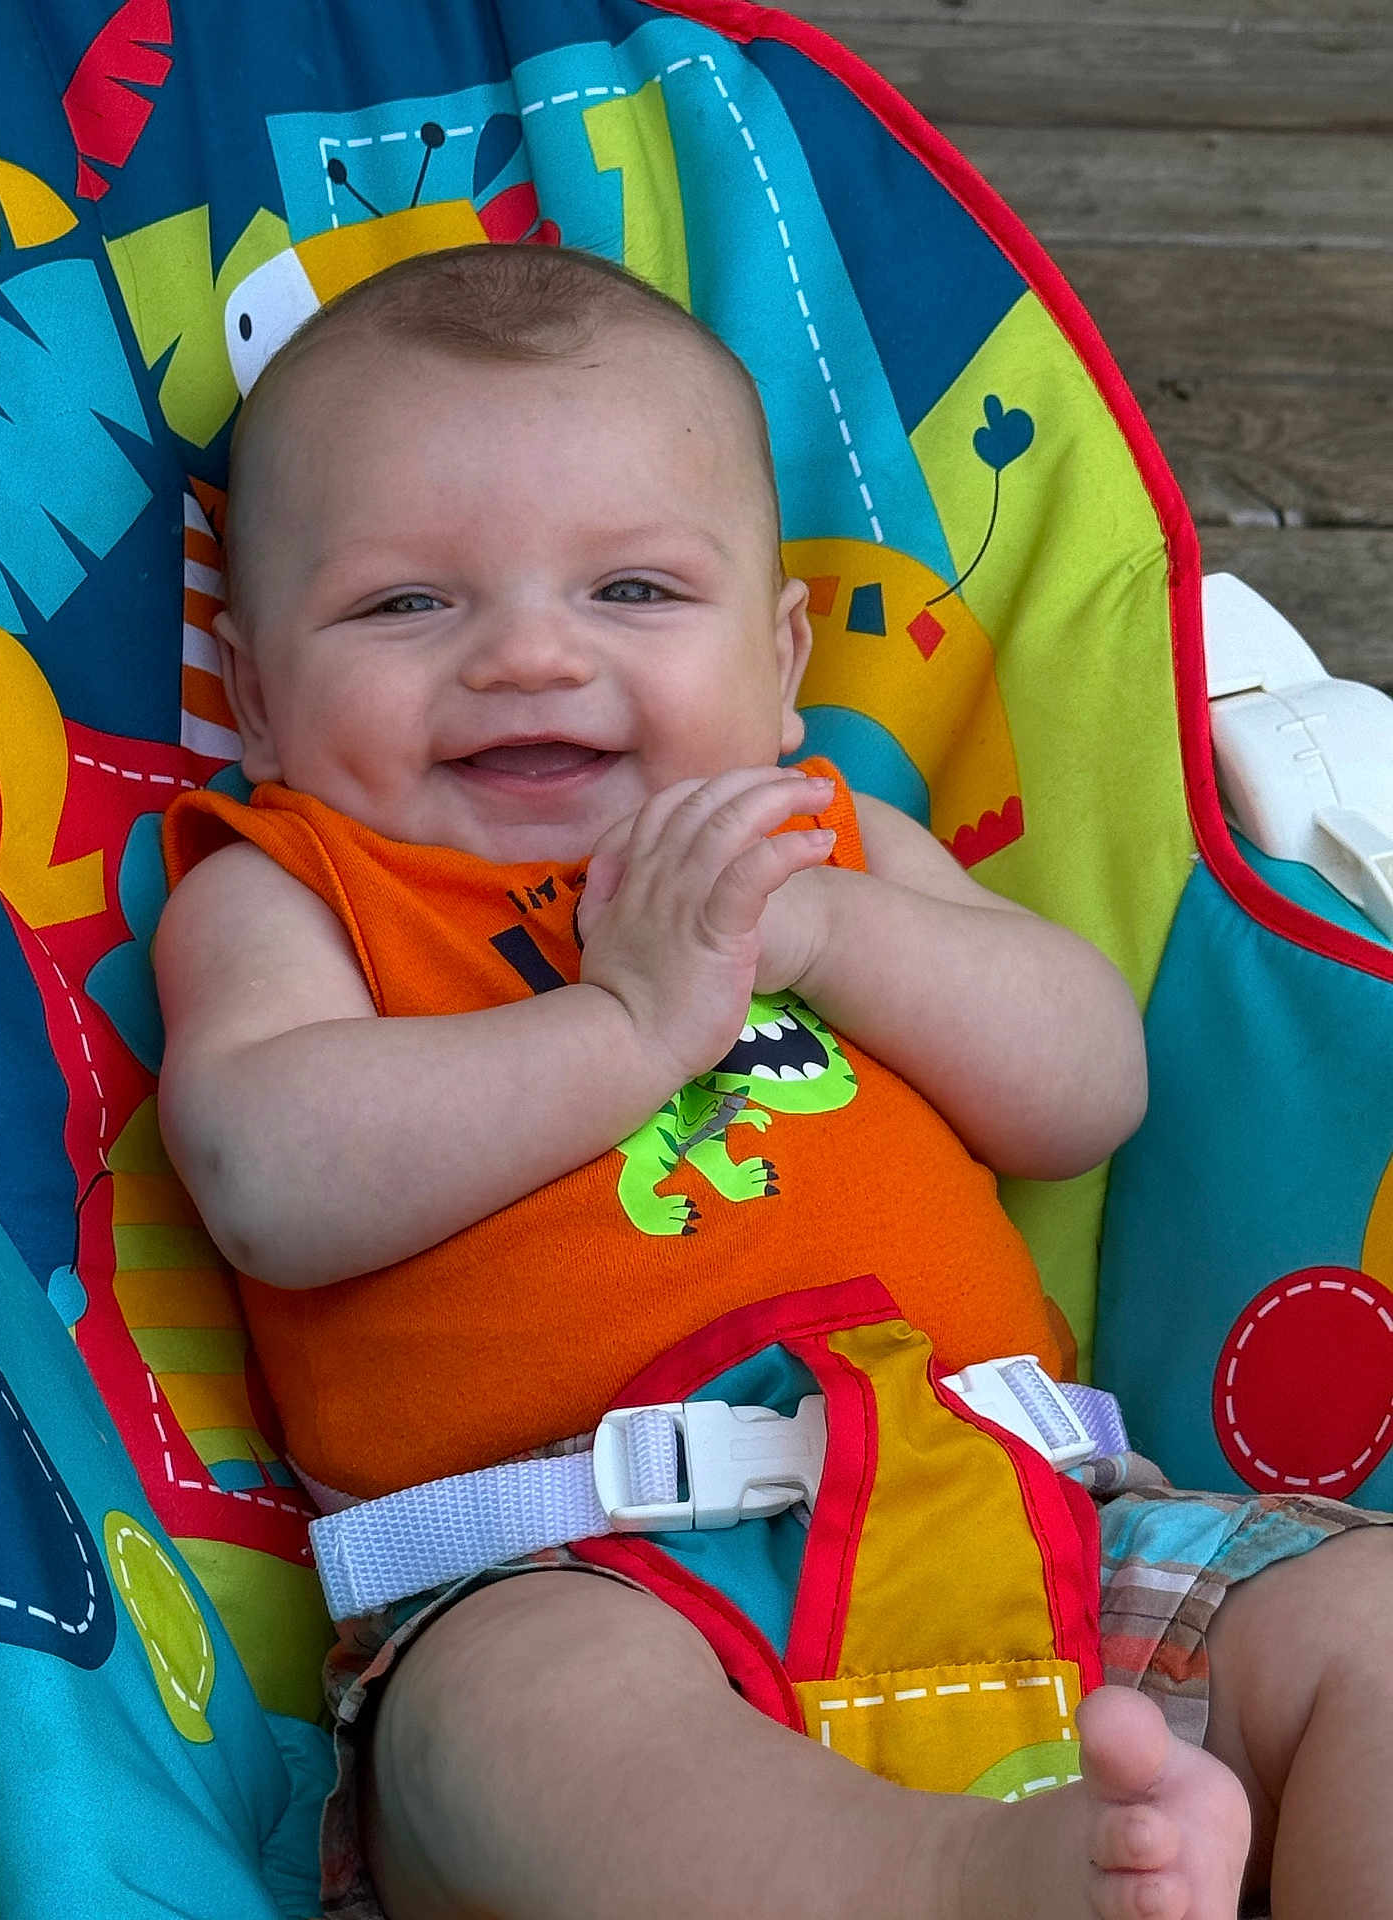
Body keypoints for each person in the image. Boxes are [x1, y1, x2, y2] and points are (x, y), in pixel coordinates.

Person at [156, 244, 1392, 1920]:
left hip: (1041, 1526)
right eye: (406, 603)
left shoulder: (822, 841)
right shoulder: (295, 885)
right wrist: (629, 1029)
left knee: (1365, 1631)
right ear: (252, 691)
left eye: (637, 592)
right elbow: (264, 1171)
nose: (528, 656)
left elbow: (1085, 1085)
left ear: (784, 650)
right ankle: (967, 1885)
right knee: (514, 1738)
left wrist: (824, 924)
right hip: (574, 1576)